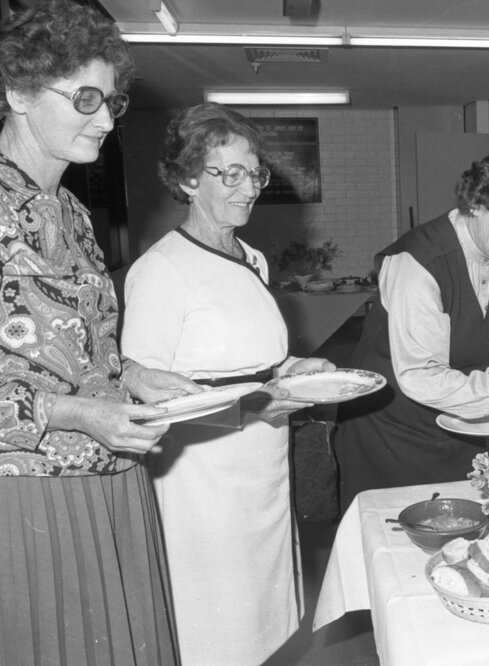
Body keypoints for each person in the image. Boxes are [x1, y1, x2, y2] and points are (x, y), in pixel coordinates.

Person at [0, 2, 203, 663]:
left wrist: (132, 376)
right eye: (85, 97)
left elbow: (85, 345)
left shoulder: (77, 215)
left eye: (112, 101)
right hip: (27, 498)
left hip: (109, 478)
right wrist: (73, 413)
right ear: (18, 91)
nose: (105, 119)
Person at [121, 102, 336, 664]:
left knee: (265, 624)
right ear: (188, 179)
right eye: (230, 173)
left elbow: (252, 364)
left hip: (264, 467)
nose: (249, 189)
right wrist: (247, 411)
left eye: (254, 172)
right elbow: (144, 396)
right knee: (214, 628)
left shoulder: (254, 259)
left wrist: (294, 373)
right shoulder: (160, 270)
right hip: (203, 484)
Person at [333, 141, 489, 510]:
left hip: (464, 431)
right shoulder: (417, 262)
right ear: (477, 203)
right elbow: (420, 374)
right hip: (391, 436)